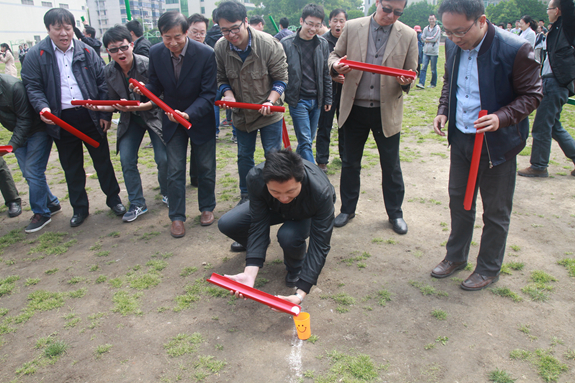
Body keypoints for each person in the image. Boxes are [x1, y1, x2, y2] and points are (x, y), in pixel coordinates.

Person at [431, 0, 542, 290]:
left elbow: (532, 95)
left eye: (460, 32)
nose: (455, 39)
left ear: (481, 20)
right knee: (460, 201)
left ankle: (489, 267)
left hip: (497, 145)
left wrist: (500, 117)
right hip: (462, 137)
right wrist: (444, 109)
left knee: (495, 210)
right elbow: (449, 82)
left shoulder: (515, 48)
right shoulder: (454, 45)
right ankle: (455, 256)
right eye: (448, 32)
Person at [21, 8, 126, 228]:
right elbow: (33, 86)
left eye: (67, 27)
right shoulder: (36, 55)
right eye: (57, 28)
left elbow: (102, 84)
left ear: (72, 28)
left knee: (103, 162)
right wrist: (43, 109)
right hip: (61, 118)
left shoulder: (86, 51)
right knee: (71, 166)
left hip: (90, 116)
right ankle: (80, 209)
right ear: (48, 29)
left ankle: (114, 200)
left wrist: (105, 113)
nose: (63, 33)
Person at [328, 0, 417, 234]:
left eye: (397, 12)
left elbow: (411, 70)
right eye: (386, 9)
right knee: (349, 163)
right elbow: (335, 55)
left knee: (391, 166)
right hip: (354, 108)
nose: (390, 16)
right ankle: (347, 209)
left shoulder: (408, 34)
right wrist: (336, 65)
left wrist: (406, 80)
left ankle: (395, 214)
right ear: (377, 2)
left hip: (386, 110)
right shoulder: (353, 26)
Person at [134, 11, 217, 237]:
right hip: (171, 121)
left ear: (186, 31)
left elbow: (209, 93)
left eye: (177, 37)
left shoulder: (205, 54)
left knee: (206, 166)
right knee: (175, 170)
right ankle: (177, 217)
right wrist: (143, 90)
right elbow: (155, 86)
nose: (172, 43)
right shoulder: (156, 52)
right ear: (160, 35)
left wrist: (188, 114)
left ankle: (207, 207)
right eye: (166, 37)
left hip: (199, 119)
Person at [218, 149, 335, 304]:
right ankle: (258, 248)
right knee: (228, 223)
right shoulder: (255, 177)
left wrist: (300, 293)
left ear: (301, 181)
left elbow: (320, 244)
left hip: (306, 210)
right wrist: (250, 272)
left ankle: (296, 267)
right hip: (274, 208)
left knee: (288, 236)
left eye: (290, 191)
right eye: (275, 191)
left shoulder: (321, 192)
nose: (284, 197)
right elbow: (258, 223)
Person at [83, 25, 168, 223]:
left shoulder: (147, 64)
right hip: (130, 120)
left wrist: (141, 105)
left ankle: (167, 192)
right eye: (113, 50)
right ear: (107, 51)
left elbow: (161, 97)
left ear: (131, 44)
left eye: (123, 47)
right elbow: (113, 103)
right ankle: (137, 203)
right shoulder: (109, 71)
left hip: (154, 115)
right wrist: (98, 108)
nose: (120, 53)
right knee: (126, 159)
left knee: (163, 158)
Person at [214, 1, 288, 206]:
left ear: (246, 22)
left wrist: (270, 100)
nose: (231, 34)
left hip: (268, 112)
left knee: (273, 155)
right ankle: (247, 195)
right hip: (241, 114)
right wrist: (228, 94)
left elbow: (281, 79)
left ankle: (274, 194)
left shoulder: (269, 44)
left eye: (235, 28)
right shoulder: (220, 47)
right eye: (225, 30)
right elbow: (221, 78)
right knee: (244, 156)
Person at [518, 0, 575, 178]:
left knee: (542, 126)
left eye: (549, 8)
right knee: (553, 126)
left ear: (558, 11)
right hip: (553, 82)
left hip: (556, 82)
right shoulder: (557, 28)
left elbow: (568, 6)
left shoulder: (566, 26)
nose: (547, 12)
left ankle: (539, 165)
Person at [0, 74, 61, 232]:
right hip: (18, 133)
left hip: (37, 130)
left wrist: (12, 145)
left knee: (33, 170)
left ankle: (41, 213)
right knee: (29, 174)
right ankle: (51, 203)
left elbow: (25, 119)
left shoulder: (14, 87)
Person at [281, 4, 332, 165]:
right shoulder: (286, 43)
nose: (313, 28)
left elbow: (326, 72)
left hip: (317, 99)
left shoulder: (322, 44)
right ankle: (316, 178)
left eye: (317, 25)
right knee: (305, 141)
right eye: (310, 23)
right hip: (298, 100)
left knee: (308, 140)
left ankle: (292, 166)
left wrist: (328, 98)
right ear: (301, 21)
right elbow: (280, 72)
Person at [316, 9, 348, 172]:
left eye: (341, 21)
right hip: (328, 91)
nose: (338, 24)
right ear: (329, 22)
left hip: (347, 90)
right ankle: (322, 160)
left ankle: (346, 156)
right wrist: (332, 75)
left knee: (345, 125)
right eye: (335, 20)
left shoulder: (349, 40)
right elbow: (319, 67)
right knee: (325, 125)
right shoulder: (322, 41)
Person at [186, 13, 213, 188]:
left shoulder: (208, 53)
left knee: (201, 147)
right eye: (194, 31)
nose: (198, 36)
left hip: (203, 108)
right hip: (179, 109)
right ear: (186, 30)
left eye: (202, 33)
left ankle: (197, 177)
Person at [416, 14, 441, 89]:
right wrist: (428, 39)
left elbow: (435, 38)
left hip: (434, 52)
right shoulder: (426, 28)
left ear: (435, 19)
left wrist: (427, 39)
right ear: (428, 19)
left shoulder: (437, 28)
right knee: (423, 67)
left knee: (433, 69)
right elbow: (422, 38)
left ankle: (433, 83)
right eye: (430, 19)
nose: (431, 20)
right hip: (426, 51)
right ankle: (421, 83)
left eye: (433, 19)